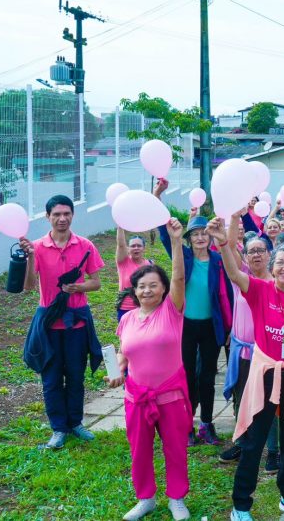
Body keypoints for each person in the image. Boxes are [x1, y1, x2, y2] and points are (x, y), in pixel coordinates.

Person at [212, 217, 284, 521]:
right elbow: (235, 273)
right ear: (272, 267)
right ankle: (241, 506)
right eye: (281, 262)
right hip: (265, 374)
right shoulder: (260, 290)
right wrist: (224, 242)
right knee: (254, 440)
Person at [107, 218, 192, 521]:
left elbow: (180, 279)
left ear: (164, 289)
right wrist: (116, 370)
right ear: (134, 290)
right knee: (140, 450)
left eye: (153, 285)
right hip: (136, 397)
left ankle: (177, 498)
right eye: (141, 286)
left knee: (175, 448)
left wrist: (176, 241)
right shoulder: (127, 320)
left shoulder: (172, 309)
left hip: (170, 395)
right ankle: (145, 498)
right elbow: (123, 354)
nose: (146, 291)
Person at [19, 195, 104, 450]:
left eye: (66, 213)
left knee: (76, 376)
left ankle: (76, 423)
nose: (62, 219)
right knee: (51, 378)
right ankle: (58, 429)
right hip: (48, 326)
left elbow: (96, 282)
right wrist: (31, 257)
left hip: (77, 324)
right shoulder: (37, 247)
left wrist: (80, 287)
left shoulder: (85, 245)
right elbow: (28, 286)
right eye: (56, 214)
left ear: (72, 215)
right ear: (47, 217)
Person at [154, 179, 233, 446]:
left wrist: (229, 328)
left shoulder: (219, 262)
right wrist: (158, 196)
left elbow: (228, 295)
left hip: (211, 327)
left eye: (204, 234)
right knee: (186, 376)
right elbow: (165, 235)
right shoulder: (183, 257)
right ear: (189, 238)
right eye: (195, 234)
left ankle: (207, 424)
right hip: (185, 326)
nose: (200, 238)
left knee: (207, 376)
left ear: (210, 237)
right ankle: (186, 425)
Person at [219, 233, 281, 473]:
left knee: (270, 403)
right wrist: (226, 235)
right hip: (241, 353)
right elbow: (229, 261)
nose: (256, 254)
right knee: (239, 398)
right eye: (251, 251)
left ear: (269, 254)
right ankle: (242, 442)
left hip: (267, 355)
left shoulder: (277, 283)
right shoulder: (241, 280)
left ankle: (273, 451)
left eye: (261, 250)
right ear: (245, 256)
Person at [116, 228, 151, 320]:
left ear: (144, 248)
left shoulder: (150, 265)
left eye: (139, 246)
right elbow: (120, 245)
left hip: (145, 308)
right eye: (133, 246)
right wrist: (120, 226)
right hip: (126, 309)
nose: (136, 248)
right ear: (128, 248)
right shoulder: (123, 262)